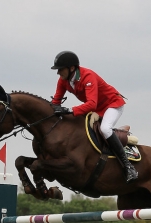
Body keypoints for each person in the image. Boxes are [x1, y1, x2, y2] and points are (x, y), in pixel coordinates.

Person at [50, 50, 138, 183]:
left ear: (72, 68)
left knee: (105, 129)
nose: (58, 73)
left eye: (60, 69)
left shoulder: (87, 76)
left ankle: (128, 167)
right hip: (96, 107)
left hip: (112, 104)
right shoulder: (63, 81)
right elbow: (56, 101)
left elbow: (91, 104)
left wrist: (69, 110)